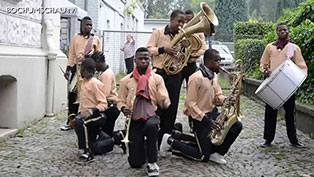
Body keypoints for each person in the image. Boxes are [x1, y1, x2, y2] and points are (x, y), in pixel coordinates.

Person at [159, 49, 243, 164]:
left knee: (237, 125)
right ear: (208, 61)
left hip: (212, 113)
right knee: (203, 156)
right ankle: (171, 142)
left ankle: (217, 153)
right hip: (199, 119)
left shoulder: (214, 76)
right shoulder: (196, 77)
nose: (220, 64)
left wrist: (225, 101)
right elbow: (190, 104)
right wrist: (207, 121)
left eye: (220, 61)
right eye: (217, 61)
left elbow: (217, 97)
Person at [118, 47, 170, 176]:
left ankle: (152, 163)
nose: (143, 61)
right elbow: (120, 101)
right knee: (135, 163)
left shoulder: (157, 78)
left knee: (151, 126)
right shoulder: (125, 81)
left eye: (146, 58)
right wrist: (123, 108)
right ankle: (144, 148)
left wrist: (163, 101)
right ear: (135, 60)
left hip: (152, 115)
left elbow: (165, 99)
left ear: (150, 60)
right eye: (140, 58)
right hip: (134, 119)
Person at [259, 23, 307, 148]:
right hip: (273, 84)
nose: (282, 32)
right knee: (270, 112)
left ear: (288, 32)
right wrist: (265, 71)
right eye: (280, 30)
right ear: (277, 32)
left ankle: (293, 140)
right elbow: (263, 63)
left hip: (288, 85)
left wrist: (299, 79)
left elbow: (302, 66)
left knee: (290, 113)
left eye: (285, 30)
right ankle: (268, 139)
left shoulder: (293, 48)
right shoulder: (270, 47)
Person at [146, 9, 186, 145]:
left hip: (175, 74)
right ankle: (154, 135)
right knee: (158, 104)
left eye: (183, 22)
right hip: (160, 73)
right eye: (179, 21)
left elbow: (185, 57)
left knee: (172, 106)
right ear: (171, 20)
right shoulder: (158, 33)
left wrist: (185, 49)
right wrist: (164, 49)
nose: (181, 24)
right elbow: (148, 49)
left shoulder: (183, 36)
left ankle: (166, 137)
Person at [61, 16, 101, 131]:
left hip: (89, 71)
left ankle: (87, 120)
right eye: (87, 25)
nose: (89, 27)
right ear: (82, 25)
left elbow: (99, 56)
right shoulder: (75, 38)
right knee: (72, 95)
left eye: (90, 25)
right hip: (76, 69)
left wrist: (91, 57)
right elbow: (72, 54)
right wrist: (68, 69)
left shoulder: (95, 39)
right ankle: (71, 121)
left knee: (88, 96)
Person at [73, 58, 107, 163]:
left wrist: (91, 111)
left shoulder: (96, 84)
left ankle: (87, 153)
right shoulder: (83, 83)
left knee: (80, 123)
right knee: (94, 145)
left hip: (98, 115)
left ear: (86, 70)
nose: (80, 72)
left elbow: (103, 104)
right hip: (87, 115)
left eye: (82, 70)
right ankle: (115, 139)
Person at [183, 9, 206, 133]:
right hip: (178, 65)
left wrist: (192, 55)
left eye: (190, 20)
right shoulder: (180, 30)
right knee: (174, 94)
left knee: (192, 95)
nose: (187, 22)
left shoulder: (199, 32)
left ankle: (192, 122)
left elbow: (203, 48)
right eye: (185, 20)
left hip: (191, 65)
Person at [90, 51, 120, 137]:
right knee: (107, 132)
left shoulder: (106, 75)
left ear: (98, 61)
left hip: (111, 107)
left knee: (105, 134)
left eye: (94, 64)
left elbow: (104, 94)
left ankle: (119, 138)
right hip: (111, 106)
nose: (94, 67)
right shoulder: (104, 72)